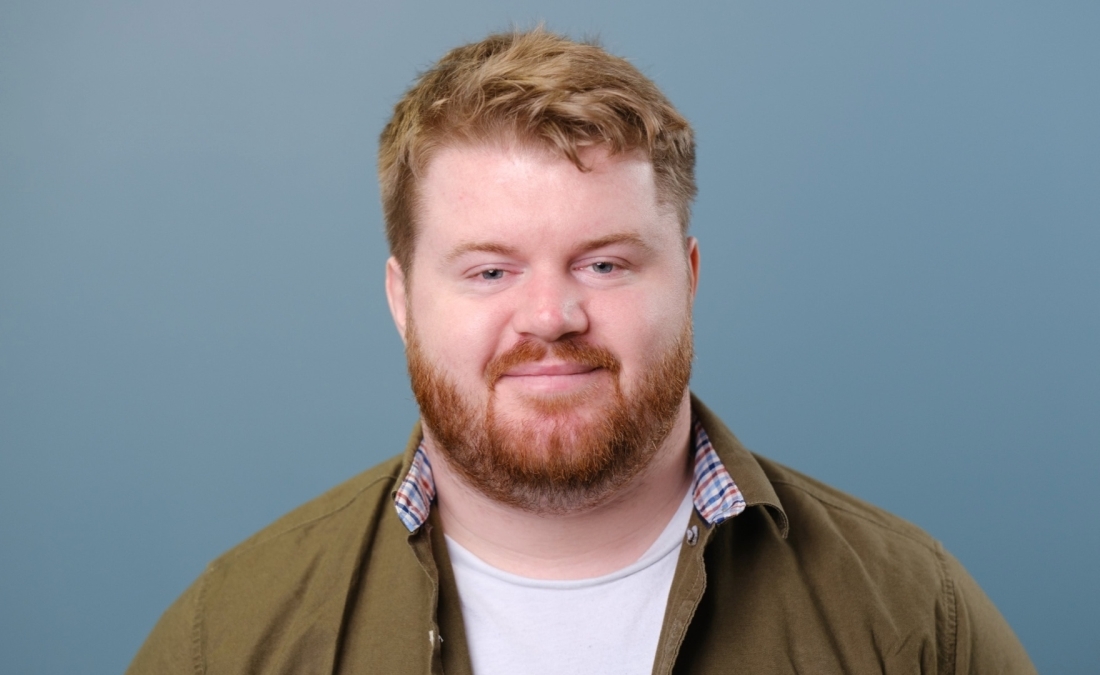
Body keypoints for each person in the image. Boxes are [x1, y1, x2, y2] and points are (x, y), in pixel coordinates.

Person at [129, 28, 1036, 674]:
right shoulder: (231, 637)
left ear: (687, 279)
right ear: (402, 301)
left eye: (604, 263)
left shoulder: (913, 618)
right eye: (490, 271)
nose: (551, 316)